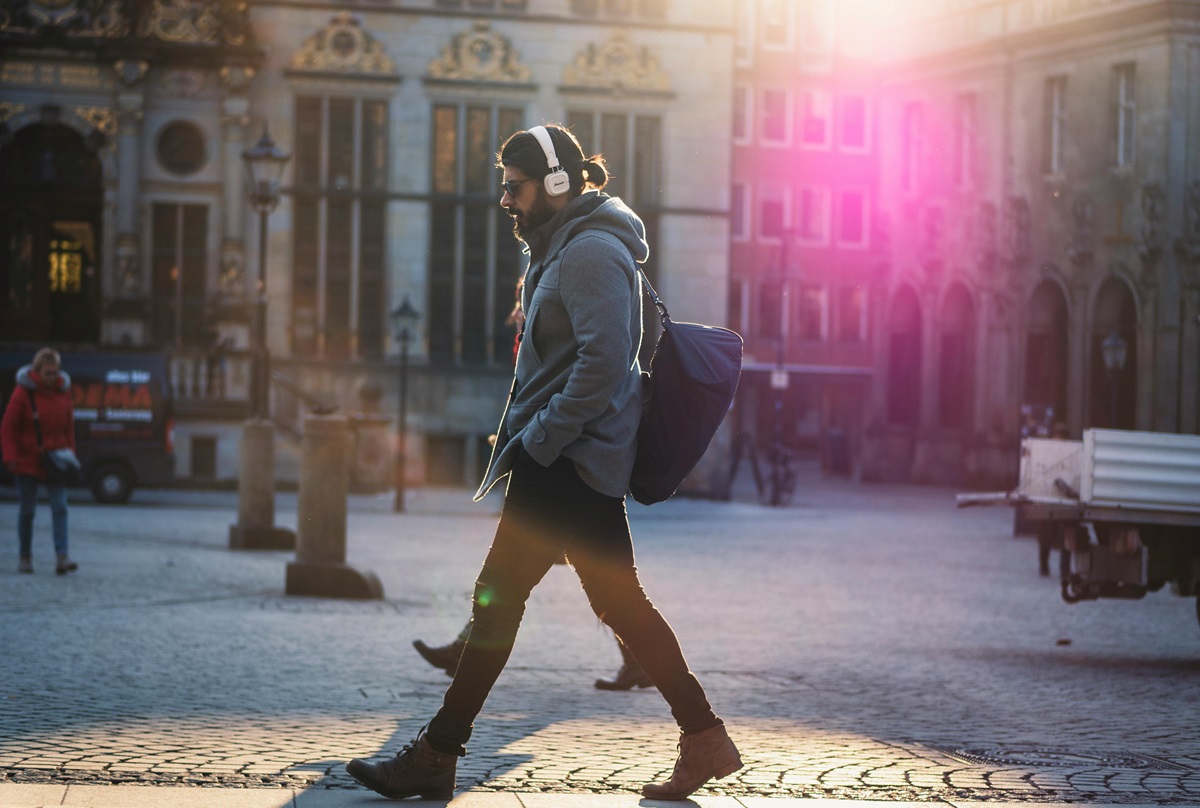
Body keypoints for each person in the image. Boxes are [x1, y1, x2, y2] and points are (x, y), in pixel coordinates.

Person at [346, 124, 741, 801]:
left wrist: (542, 439)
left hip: (567, 461)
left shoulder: (589, 251)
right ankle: (704, 737)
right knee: (618, 603)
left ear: (557, 184)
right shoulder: (566, 246)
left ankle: (436, 755)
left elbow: (606, 360)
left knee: (497, 598)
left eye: (515, 185)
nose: (505, 198)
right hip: (574, 459)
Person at [412, 273, 654, 692]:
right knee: (603, 586)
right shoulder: (532, 335)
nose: (523, 308)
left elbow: (583, 379)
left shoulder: (555, 326)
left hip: (562, 475)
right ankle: (644, 666)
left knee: (511, 582)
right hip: (557, 472)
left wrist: (539, 440)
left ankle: (461, 663)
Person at [2, 347, 79, 576]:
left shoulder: (63, 392)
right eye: (48, 373)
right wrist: (11, 457)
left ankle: (62, 557)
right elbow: (8, 427)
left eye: (55, 372)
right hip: (27, 460)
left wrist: (70, 454)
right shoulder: (23, 393)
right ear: (37, 372)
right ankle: (25, 556)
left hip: (55, 459)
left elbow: (69, 428)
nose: (52, 377)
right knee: (27, 511)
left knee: (60, 508)